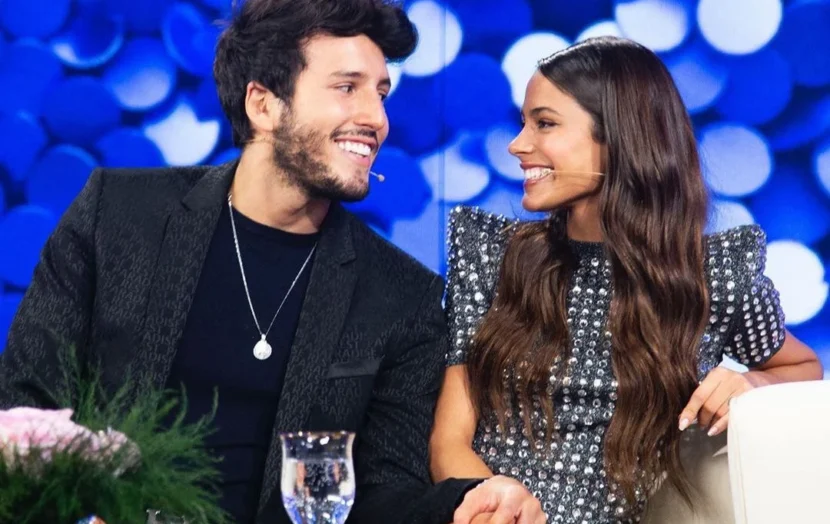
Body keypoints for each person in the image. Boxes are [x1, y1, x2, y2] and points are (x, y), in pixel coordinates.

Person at [0, 1, 542, 522]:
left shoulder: (403, 295)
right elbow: (27, 405)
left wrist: (467, 501)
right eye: (347, 88)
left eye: (381, 94)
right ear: (262, 105)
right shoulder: (118, 216)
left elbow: (384, 494)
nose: (377, 119)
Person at [431, 36, 824, 524]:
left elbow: (803, 366)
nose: (517, 144)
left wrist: (749, 382)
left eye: (544, 123)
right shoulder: (494, 255)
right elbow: (448, 441)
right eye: (523, 122)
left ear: (619, 136)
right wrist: (500, 504)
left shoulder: (712, 275)